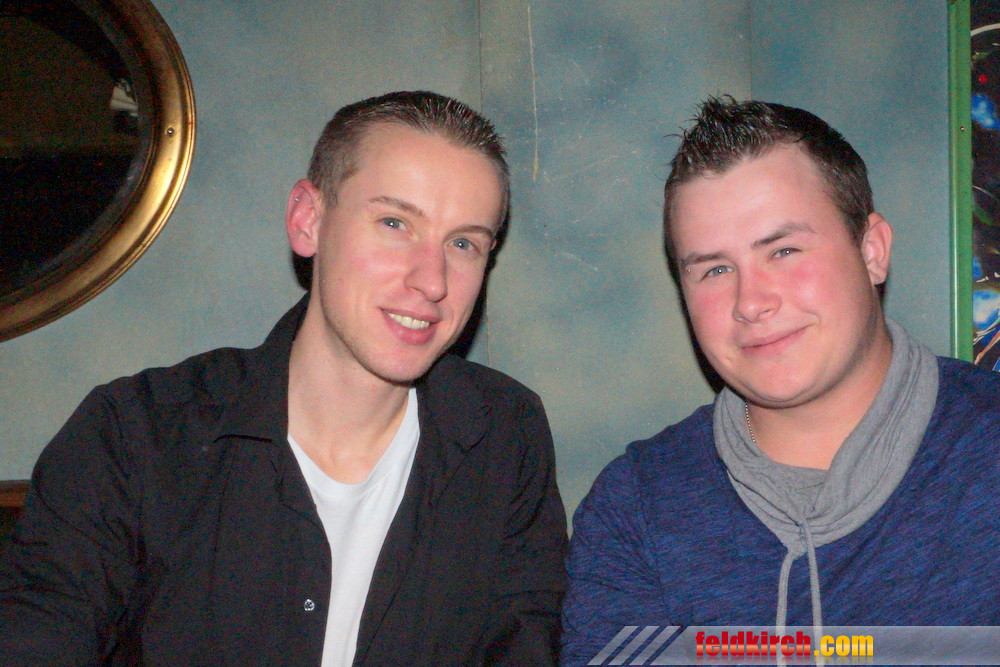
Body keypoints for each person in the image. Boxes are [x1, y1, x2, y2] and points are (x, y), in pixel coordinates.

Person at [0, 90, 568, 665]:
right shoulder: (135, 434)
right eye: (395, 223)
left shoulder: (505, 435)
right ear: (307, 220)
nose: (433, 280)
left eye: (464, 243)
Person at [562, 97, 1000, 663]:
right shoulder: (635, 511)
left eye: (784, 250)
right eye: (715, 269)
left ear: (872, 251)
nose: (751, 301)